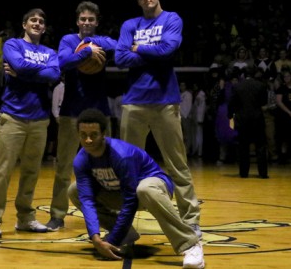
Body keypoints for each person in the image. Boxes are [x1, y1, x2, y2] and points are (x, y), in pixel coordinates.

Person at [114, 0, 202, 236]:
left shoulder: (172, 19)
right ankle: (125, 221)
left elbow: (168, 50)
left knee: (177, 164)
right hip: (134, 103)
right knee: (126, 166)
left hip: (165, 101)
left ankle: (191, 219)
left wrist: (138, 47)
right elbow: (120, 58)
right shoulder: (130, 24)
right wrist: (152, 51)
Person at [68, 108, 204, 269]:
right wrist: (95, 238)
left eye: (93, 135)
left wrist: (112, 241)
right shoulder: (81, 160)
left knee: (145, 189)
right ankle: (127, 235)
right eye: (83, 135)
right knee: (75, 190)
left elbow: (130, 201)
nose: (88, 140)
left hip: (153, 186)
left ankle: (190, 244)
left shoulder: (121, 155)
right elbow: (87, 199)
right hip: (119, 192)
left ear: (104, 134)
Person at [0, 8, 61, 239]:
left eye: (40, 21)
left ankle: (25, 218)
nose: (37, 23)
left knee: (31, 172)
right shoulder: (13, 45)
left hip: (39, 119)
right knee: (2, 171)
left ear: (44, 27)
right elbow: (29, 68)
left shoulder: (50, 51)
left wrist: (23, 72)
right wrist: (35, 72)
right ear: (24, 25)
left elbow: (54, 75)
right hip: (12, 117)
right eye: (32, 20)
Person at [47, 0, 117, 232]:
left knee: (107, 167)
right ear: (77, 21)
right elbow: (63, 62)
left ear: (97, 22)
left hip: (99, 112)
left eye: (91, 20)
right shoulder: (68, 40)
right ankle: (57, 215)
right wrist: (87, 50)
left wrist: (92, 43)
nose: (87, 23)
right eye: (83, 19)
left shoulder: (103, 41)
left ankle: (109, 214)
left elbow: (116, 46)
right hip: (71, 112)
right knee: (64, 166)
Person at [227, 66, 269, 178]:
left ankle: (244, 173)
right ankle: (263, 173)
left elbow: (232, 104)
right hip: (257, 119)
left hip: (242, 120)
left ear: (243, 75)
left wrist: (230, 116)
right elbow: (263, 102)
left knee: (243, 147)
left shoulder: (237, 86)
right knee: (260, 147)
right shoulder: (261, 86)